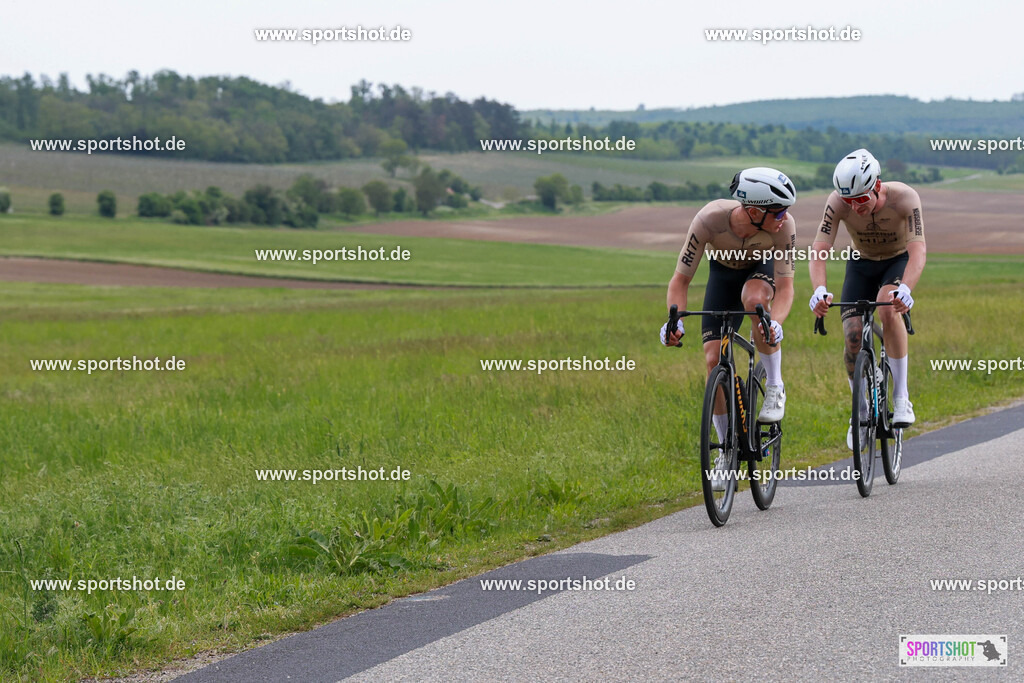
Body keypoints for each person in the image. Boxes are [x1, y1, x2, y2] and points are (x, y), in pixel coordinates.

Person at [661, 167, 797, 490]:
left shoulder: (783, 227)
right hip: (721, 277)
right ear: (753, 211)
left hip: (758, 275)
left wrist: (775, 323)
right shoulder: (709, 220)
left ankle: (775, 385)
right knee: (712, 360)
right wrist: (674, 320)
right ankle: (725, 450)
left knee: (754, 301)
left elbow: (786, 286)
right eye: (777, 210)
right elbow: (680, 280)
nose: (784, 216)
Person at [808, 149, 926, 449]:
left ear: (877, 185)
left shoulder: (905, 198)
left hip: (896, 262)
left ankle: (901, 398)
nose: (855, 207)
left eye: (861, 200)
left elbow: (918, 250)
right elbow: (820, 249)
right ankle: (858, 413)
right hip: (860, 264)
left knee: (888, 308)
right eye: (849, 202)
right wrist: (819, 290)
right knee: (851, 336)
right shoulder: (837, 203)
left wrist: (906, 290)